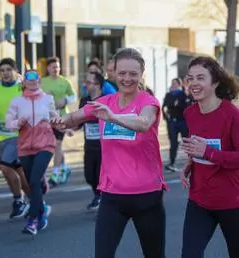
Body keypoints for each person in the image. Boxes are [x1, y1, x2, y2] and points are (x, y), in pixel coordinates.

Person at [50, 48, 166, 258]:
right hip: (112, 196)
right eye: (122, 73)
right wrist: (59, 121)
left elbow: (144, 123)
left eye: (133, 73)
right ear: (114, 74)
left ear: (142, 74)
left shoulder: (148, 102)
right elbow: (74, 117)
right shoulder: (104, 103)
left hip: (146, 195)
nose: (127, 78)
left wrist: (113, 118)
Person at [180, 56, 239, 258]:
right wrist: (191, 163)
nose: (194, 83)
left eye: (201, 78)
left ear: (215, 82)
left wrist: (207, 153)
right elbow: (202, 147)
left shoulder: (232, 114)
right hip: (199, 200)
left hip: (232, 202)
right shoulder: (190, 113)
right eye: (190, 78)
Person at [6, 70, 56, 235]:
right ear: (24, 82)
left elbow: (54, 116)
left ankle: (32, 221)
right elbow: (9, 124)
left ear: (39, 80)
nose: (33, 81)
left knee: (33, 181)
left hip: (45, 144)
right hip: (25, 147)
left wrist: (63, 125)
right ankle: (41, 206)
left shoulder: (48, 99)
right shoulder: (17, 101)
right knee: (33, 183)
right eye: (29, 78)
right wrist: (17, 122)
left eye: (36, 77)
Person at [0, 58, 30, 219]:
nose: (5, 73)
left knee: (5, 167)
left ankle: (19, 201)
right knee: (17, 170)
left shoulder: (21, 89)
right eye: (2, 70)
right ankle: (32, 199)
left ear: (15, 71)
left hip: (18, 136)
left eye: (8, 70)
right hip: (0, 137)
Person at [78, 72, 112, 211]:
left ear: (98, 85)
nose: (87, 85)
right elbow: (79, 118)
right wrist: (70, 127)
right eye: (87, 82)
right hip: (89, 145)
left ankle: (102, 199)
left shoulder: (106, 100)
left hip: (104, 147)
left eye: (90, 82)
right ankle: (98, 195)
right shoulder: (84, 100)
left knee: (100, 175)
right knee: (89, 175)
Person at [41, 57, 76, 187]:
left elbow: (74, 96)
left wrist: (65, 100)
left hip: (61, 118)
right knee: (56, 145)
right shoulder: (42, 82)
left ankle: (55, 174)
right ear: (48, 68)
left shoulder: (65, 81)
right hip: (46, 118)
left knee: (57, 145)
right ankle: (64, 167)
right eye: (53, 67)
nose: (55, 69)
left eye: (57, 66)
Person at [162, 78, 191, 172]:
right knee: (173, 143)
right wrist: (167, 118)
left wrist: (177, 105)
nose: (173, 85)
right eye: (172, 83)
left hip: (183, 121)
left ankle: (192, 161)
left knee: (187, 141)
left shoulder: (183, 94)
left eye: (175, 83)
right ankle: (172, 163)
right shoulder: (169, 95)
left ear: (179, 84)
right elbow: (164, 107)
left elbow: (187, 107)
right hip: (172, 122)